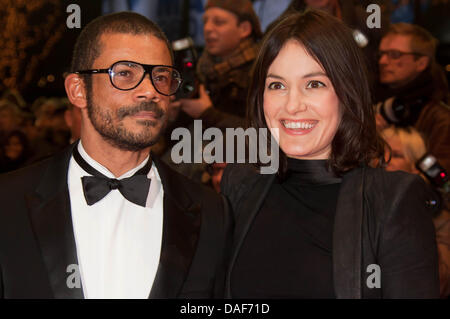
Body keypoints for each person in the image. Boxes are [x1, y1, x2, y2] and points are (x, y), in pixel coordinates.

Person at [0, 12, 230, 299]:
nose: (149, 91)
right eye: (124, 74)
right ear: (78, 90)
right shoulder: (8, 202)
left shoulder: (211, 212)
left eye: (160, 77)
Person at [221, 10, 439, 298]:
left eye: (314, 84)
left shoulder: (393, 200)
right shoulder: (240, 183)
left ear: (346, 93)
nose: (292, 105)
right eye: (277, 85)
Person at [381, 126, 450, 298]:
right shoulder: (361, 201)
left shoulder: (439, 217)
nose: (385, 160)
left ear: (415, 169)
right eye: (381, 153)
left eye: (396, 155)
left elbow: (437, 282)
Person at [375, 23, 450, 172]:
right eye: (381, 54)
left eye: (395, 54)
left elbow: (442, 182)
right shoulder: (370, 102)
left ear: (421, 63)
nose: (382, 61)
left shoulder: (440, 120)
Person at [177, 0, 262, 129]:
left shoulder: (262, 71)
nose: (207, 28)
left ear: (244, 29)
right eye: (205, 21)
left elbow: (265, 133)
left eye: (219, 22)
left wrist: (208, 114)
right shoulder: (202, 67)